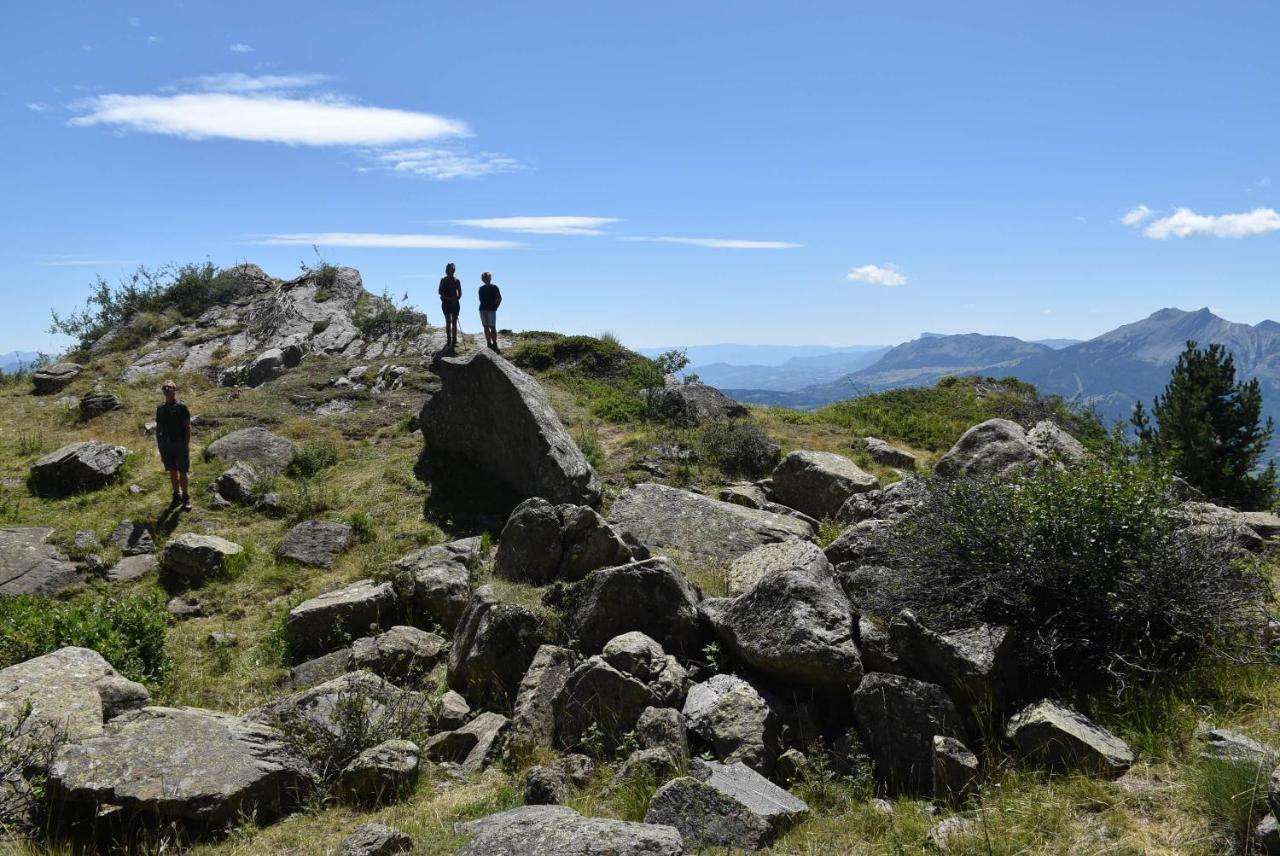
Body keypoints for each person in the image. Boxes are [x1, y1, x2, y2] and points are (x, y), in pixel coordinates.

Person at [155, 380, 192, 511]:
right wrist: (160, 444)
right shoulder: (160, 409)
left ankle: (186, 496)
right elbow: (158, 428)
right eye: (164, 388)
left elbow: (187, 427)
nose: (167, 389)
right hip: (166, 444)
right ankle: (176, 494)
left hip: (180, 443)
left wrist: (186, 445)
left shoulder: (182, 407)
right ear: (163, 392)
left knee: (183, 470)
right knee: (172, 470)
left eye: (170, 387)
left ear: (174, 390)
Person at [438, 262, 462, 348]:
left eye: (452, 270)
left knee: (454, 322)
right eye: (449, 270)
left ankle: (454, 339)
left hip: (455, 304)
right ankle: (449, 339)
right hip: (446, 304)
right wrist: (449, 299)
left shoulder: (457, 281)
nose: (451, 271)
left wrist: (456, 299)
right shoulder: (443, 280)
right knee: (448, 321)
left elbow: (460, 293)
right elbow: (440, 292)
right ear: (447, 270)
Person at [478, 271, 503, 352]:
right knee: (485, 326)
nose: (486, 279)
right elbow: (481, 300)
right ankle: (489, 343)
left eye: (488, 277)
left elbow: (499, 298)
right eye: (485, 278)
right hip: (483, 309)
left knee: (492, 327)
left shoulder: (495, 287)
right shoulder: (481, 289)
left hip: (491, 309)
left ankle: (495, 343)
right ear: (483, 279)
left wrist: (496, 307)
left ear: (490, 278)